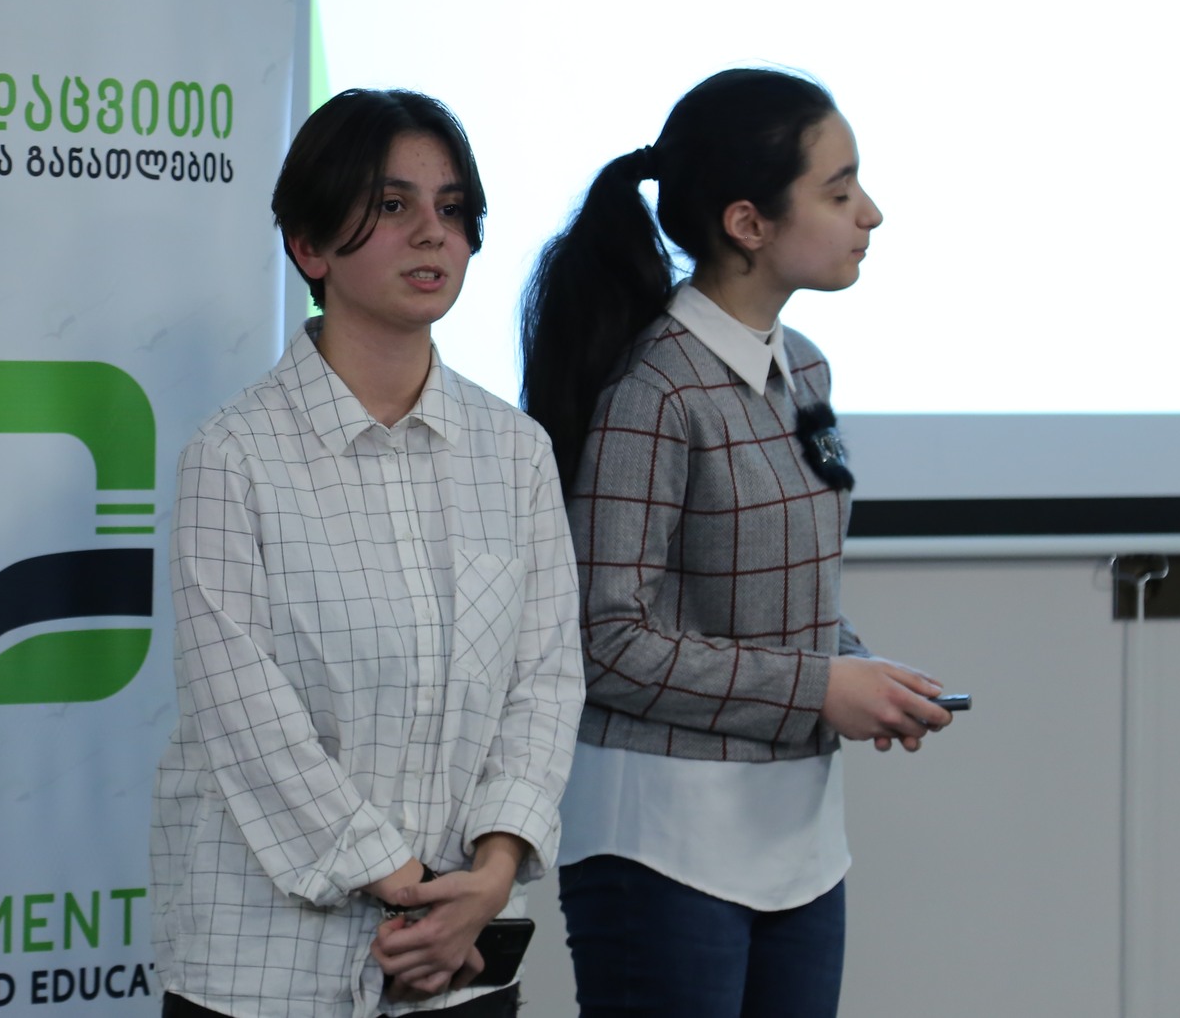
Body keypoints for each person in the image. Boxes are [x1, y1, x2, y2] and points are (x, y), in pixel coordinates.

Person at [519, 67, 951, 1018]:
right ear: (748, 223)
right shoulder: (657, 388)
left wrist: (861, 671)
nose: (870, 213)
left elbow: (790, 588)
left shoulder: (805, 367)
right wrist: (819, 686)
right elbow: (605, 639)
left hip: (798, 836)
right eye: (838, 191)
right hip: (664, 840)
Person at [153, 88, 585, 1018]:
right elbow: (247, 715)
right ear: (310, 246)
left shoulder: (516, 451)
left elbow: (546, 681)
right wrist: (409, 886)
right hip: (268, 969)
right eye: (393, 205)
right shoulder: (234, 455)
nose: (433, 232)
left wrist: (489, 876)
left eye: (452, 208)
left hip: (459, 959)